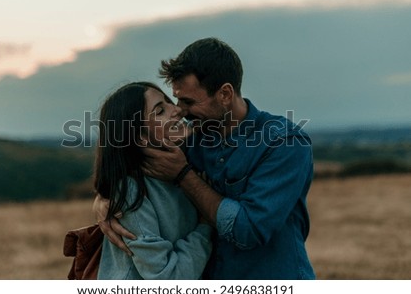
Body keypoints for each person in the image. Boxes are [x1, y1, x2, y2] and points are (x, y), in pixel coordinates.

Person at [96, 37, 315, 279]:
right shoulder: (188, 141)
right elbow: (128, 161)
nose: (179, 110)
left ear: (225, 94)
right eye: (175, 99)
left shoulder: (283, 143)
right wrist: (107, 201)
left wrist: (184, 176)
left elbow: (248, 229)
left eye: (188, 101)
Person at [92, 81, 212, 279]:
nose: (178, 110)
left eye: (169, 101)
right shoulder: (132, 190)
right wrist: (206, 227)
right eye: (160, 111)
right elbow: (165, 280)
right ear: (140, 137)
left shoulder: (192, 162)